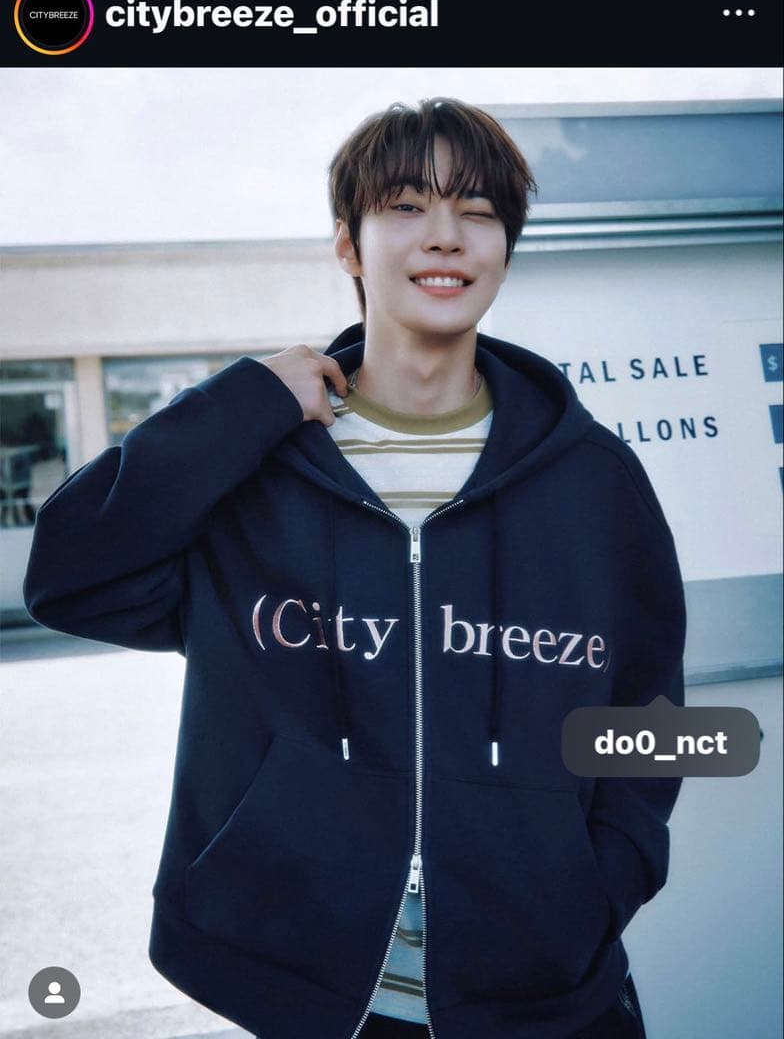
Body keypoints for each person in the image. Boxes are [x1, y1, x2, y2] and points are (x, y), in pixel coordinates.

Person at [24, 98, 685, 1039]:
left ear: (506, 248)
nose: (446, 236)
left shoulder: (593, 478)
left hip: (548, 995)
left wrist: (604, 878)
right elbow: (68, 575)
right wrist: (241, 405)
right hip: (314, 991)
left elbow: (653, 715)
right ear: (349, 246)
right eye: (408, 206)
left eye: (479, 212)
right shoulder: (263, 466)